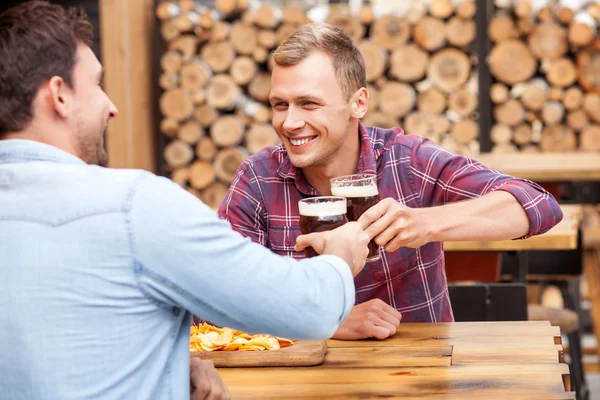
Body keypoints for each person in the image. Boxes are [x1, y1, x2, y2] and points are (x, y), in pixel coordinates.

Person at [0, 2, 372, 399]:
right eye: (96, 84)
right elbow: (307, 308)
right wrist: (340, 256)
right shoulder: (136, 207)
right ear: (59, 95)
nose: (111, 106)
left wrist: (166, 363)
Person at [219, 23, 564, 340]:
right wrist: (326, 319)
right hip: (300, 385)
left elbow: (538, 204)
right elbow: (216, 299)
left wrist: (424, 222)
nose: (290, 122)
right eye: (280, 105)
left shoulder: (406, 161)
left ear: (358, 103)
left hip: (420, 378)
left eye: (309, 104)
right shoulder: (258, 179)